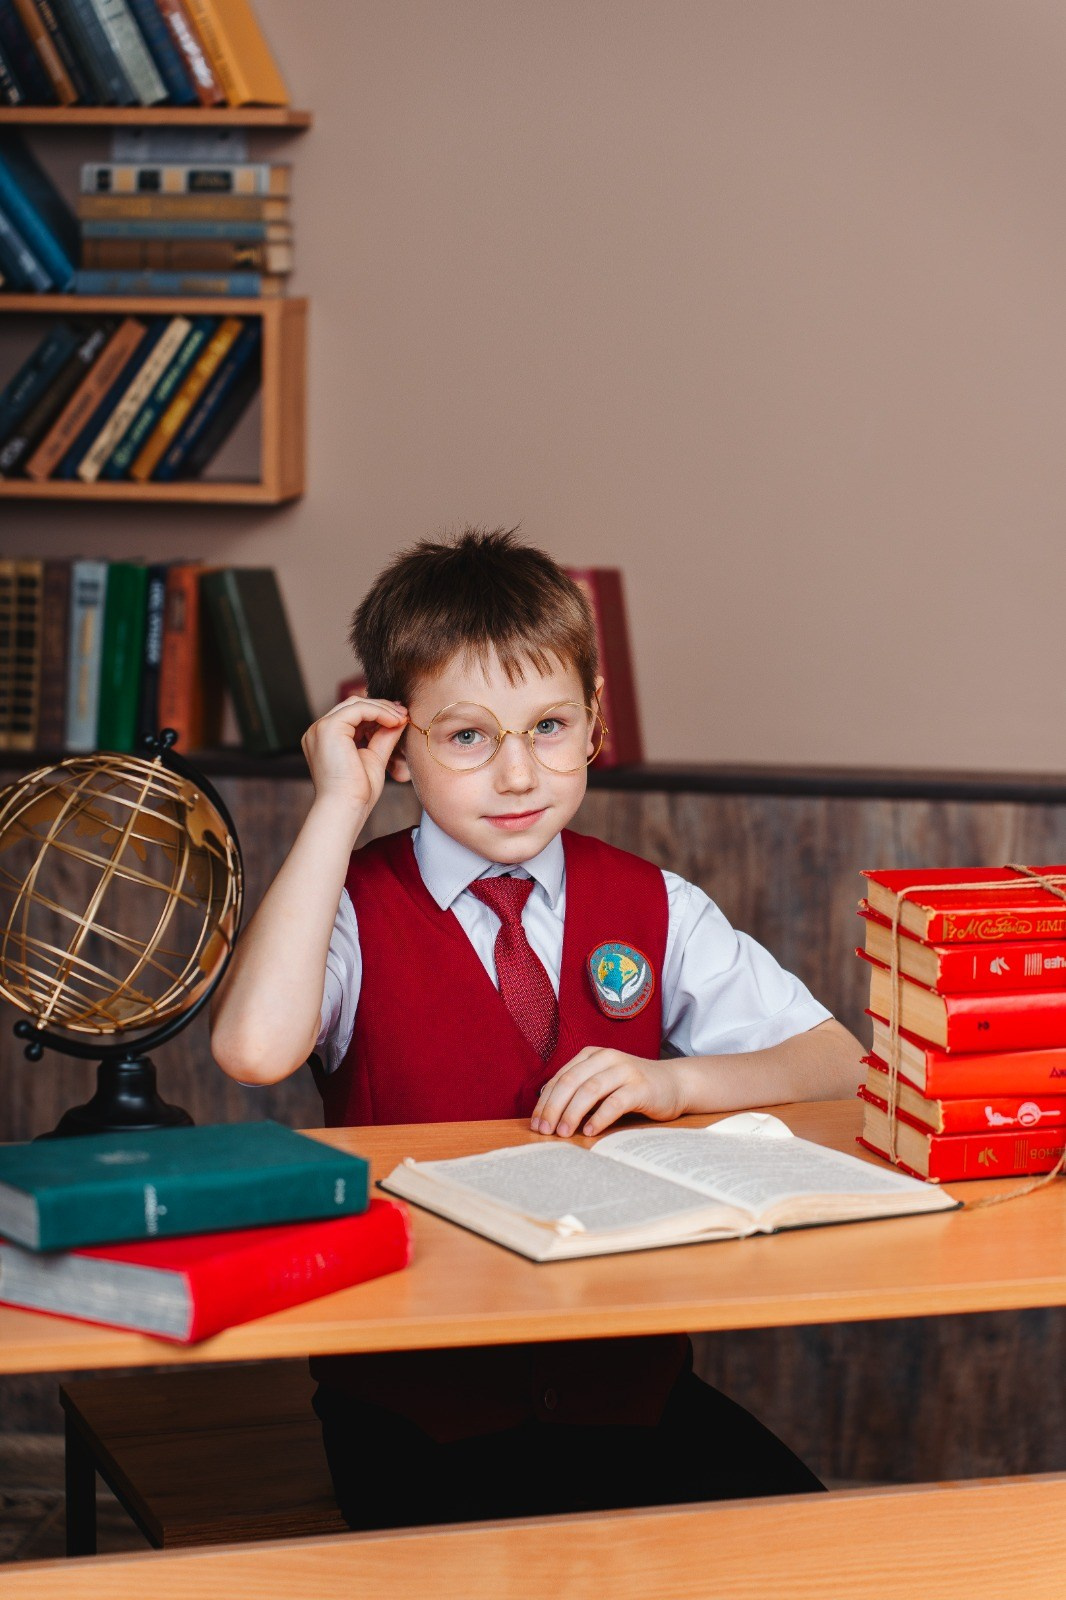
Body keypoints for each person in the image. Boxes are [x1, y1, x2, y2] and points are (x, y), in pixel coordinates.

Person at [211, 526, 863, 1529]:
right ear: (390, 740)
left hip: (624, 1395)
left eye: (549, 726)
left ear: (595, 720)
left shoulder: (654, 904)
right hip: (414, 1408)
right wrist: (337, 811)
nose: (517, 776)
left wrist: (674, 1083)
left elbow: (836, 1063)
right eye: (467, 736)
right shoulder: (345, 907)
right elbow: (253, 1051)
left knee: (815, 1541)